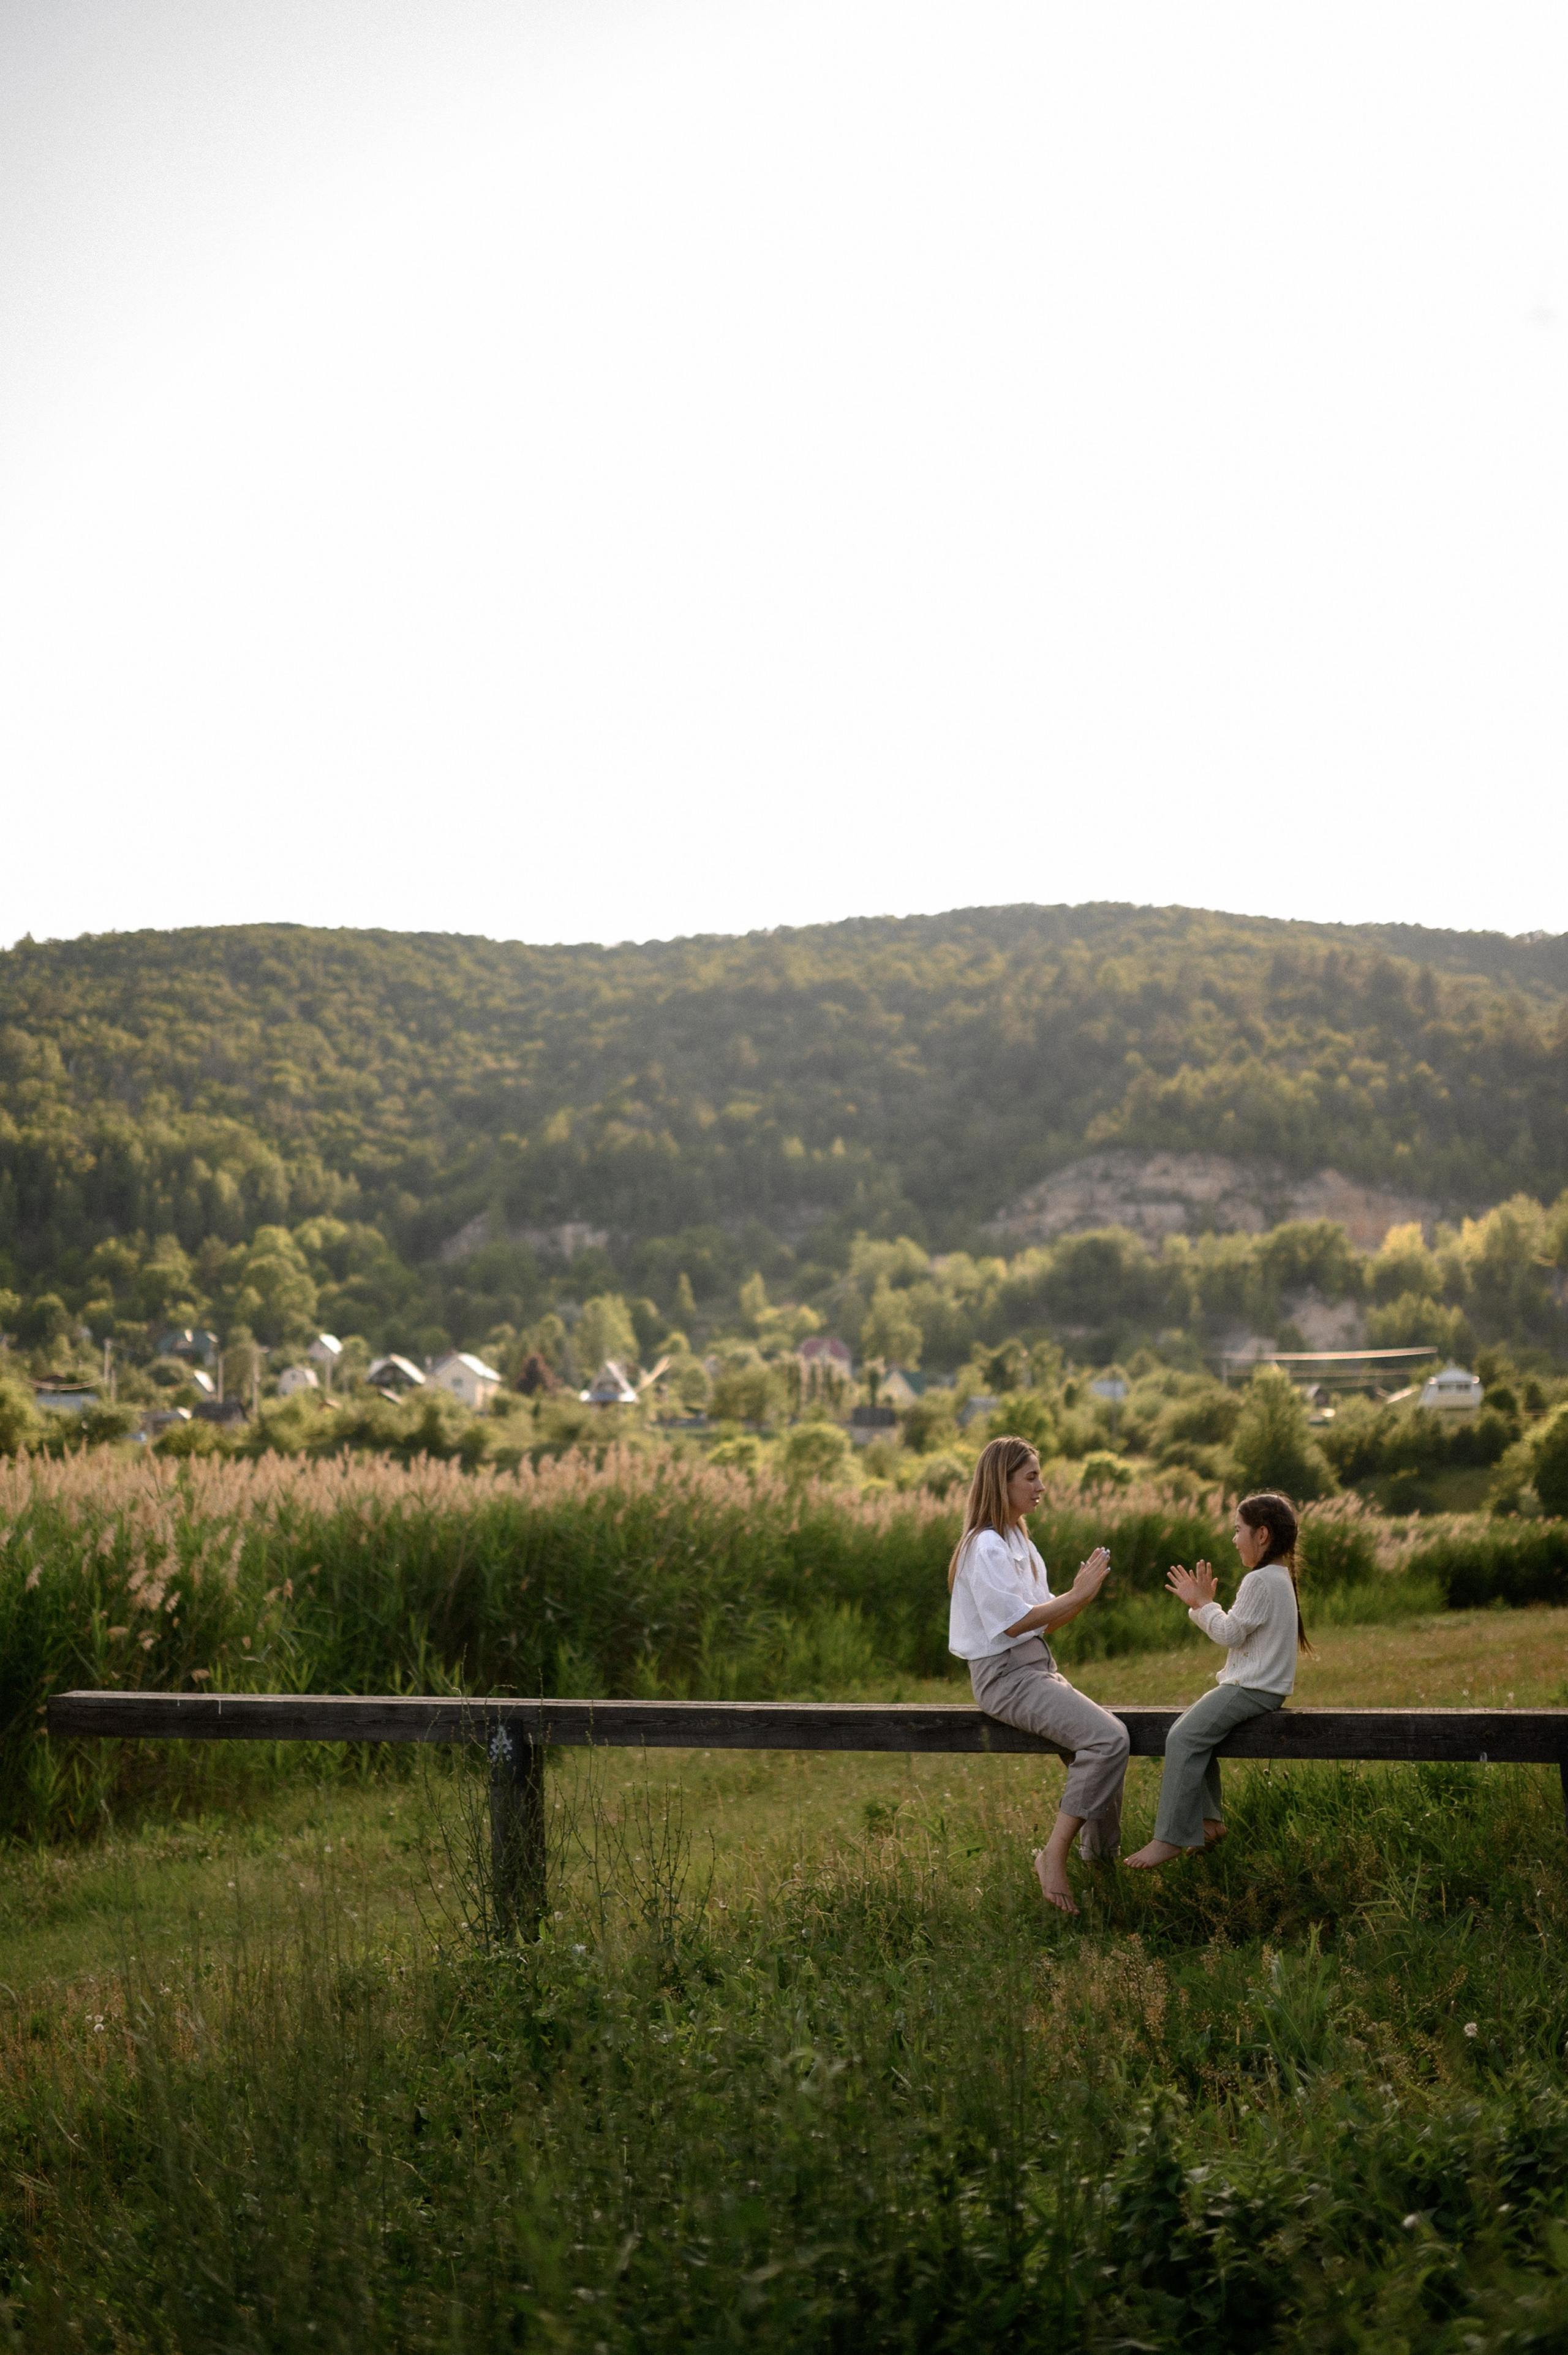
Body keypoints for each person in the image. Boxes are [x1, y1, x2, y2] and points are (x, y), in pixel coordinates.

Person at [948, 1434, 1126, 1916]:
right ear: (1001, 1483)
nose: (1041, 1486)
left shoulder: (1019, 1542)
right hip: (1005, 1677)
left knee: (1103, 1746)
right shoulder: (984, 1546)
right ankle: (1053, 1857)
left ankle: (1103, 1870)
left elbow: (1042, 1621)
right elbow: (1010, 1623)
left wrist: (1080, 1597)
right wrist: (1077, 1593)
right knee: (1109, 1739)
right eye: (1031, 1477)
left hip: (1037, 1666)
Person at [1125, 1490, 1307, 1870]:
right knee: (1194, 1734)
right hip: (1259, 1689)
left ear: (1262, 1535)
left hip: (1252, 1689)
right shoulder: (1279, 1578)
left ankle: (1169, 1838)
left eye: (1238, 1530)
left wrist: (1202, 1604)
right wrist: (1205, 1605)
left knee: (1182, 1737)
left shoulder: (1259, 1581)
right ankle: (1210, 1823)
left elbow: (1229, 1634)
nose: (1233, 1538)